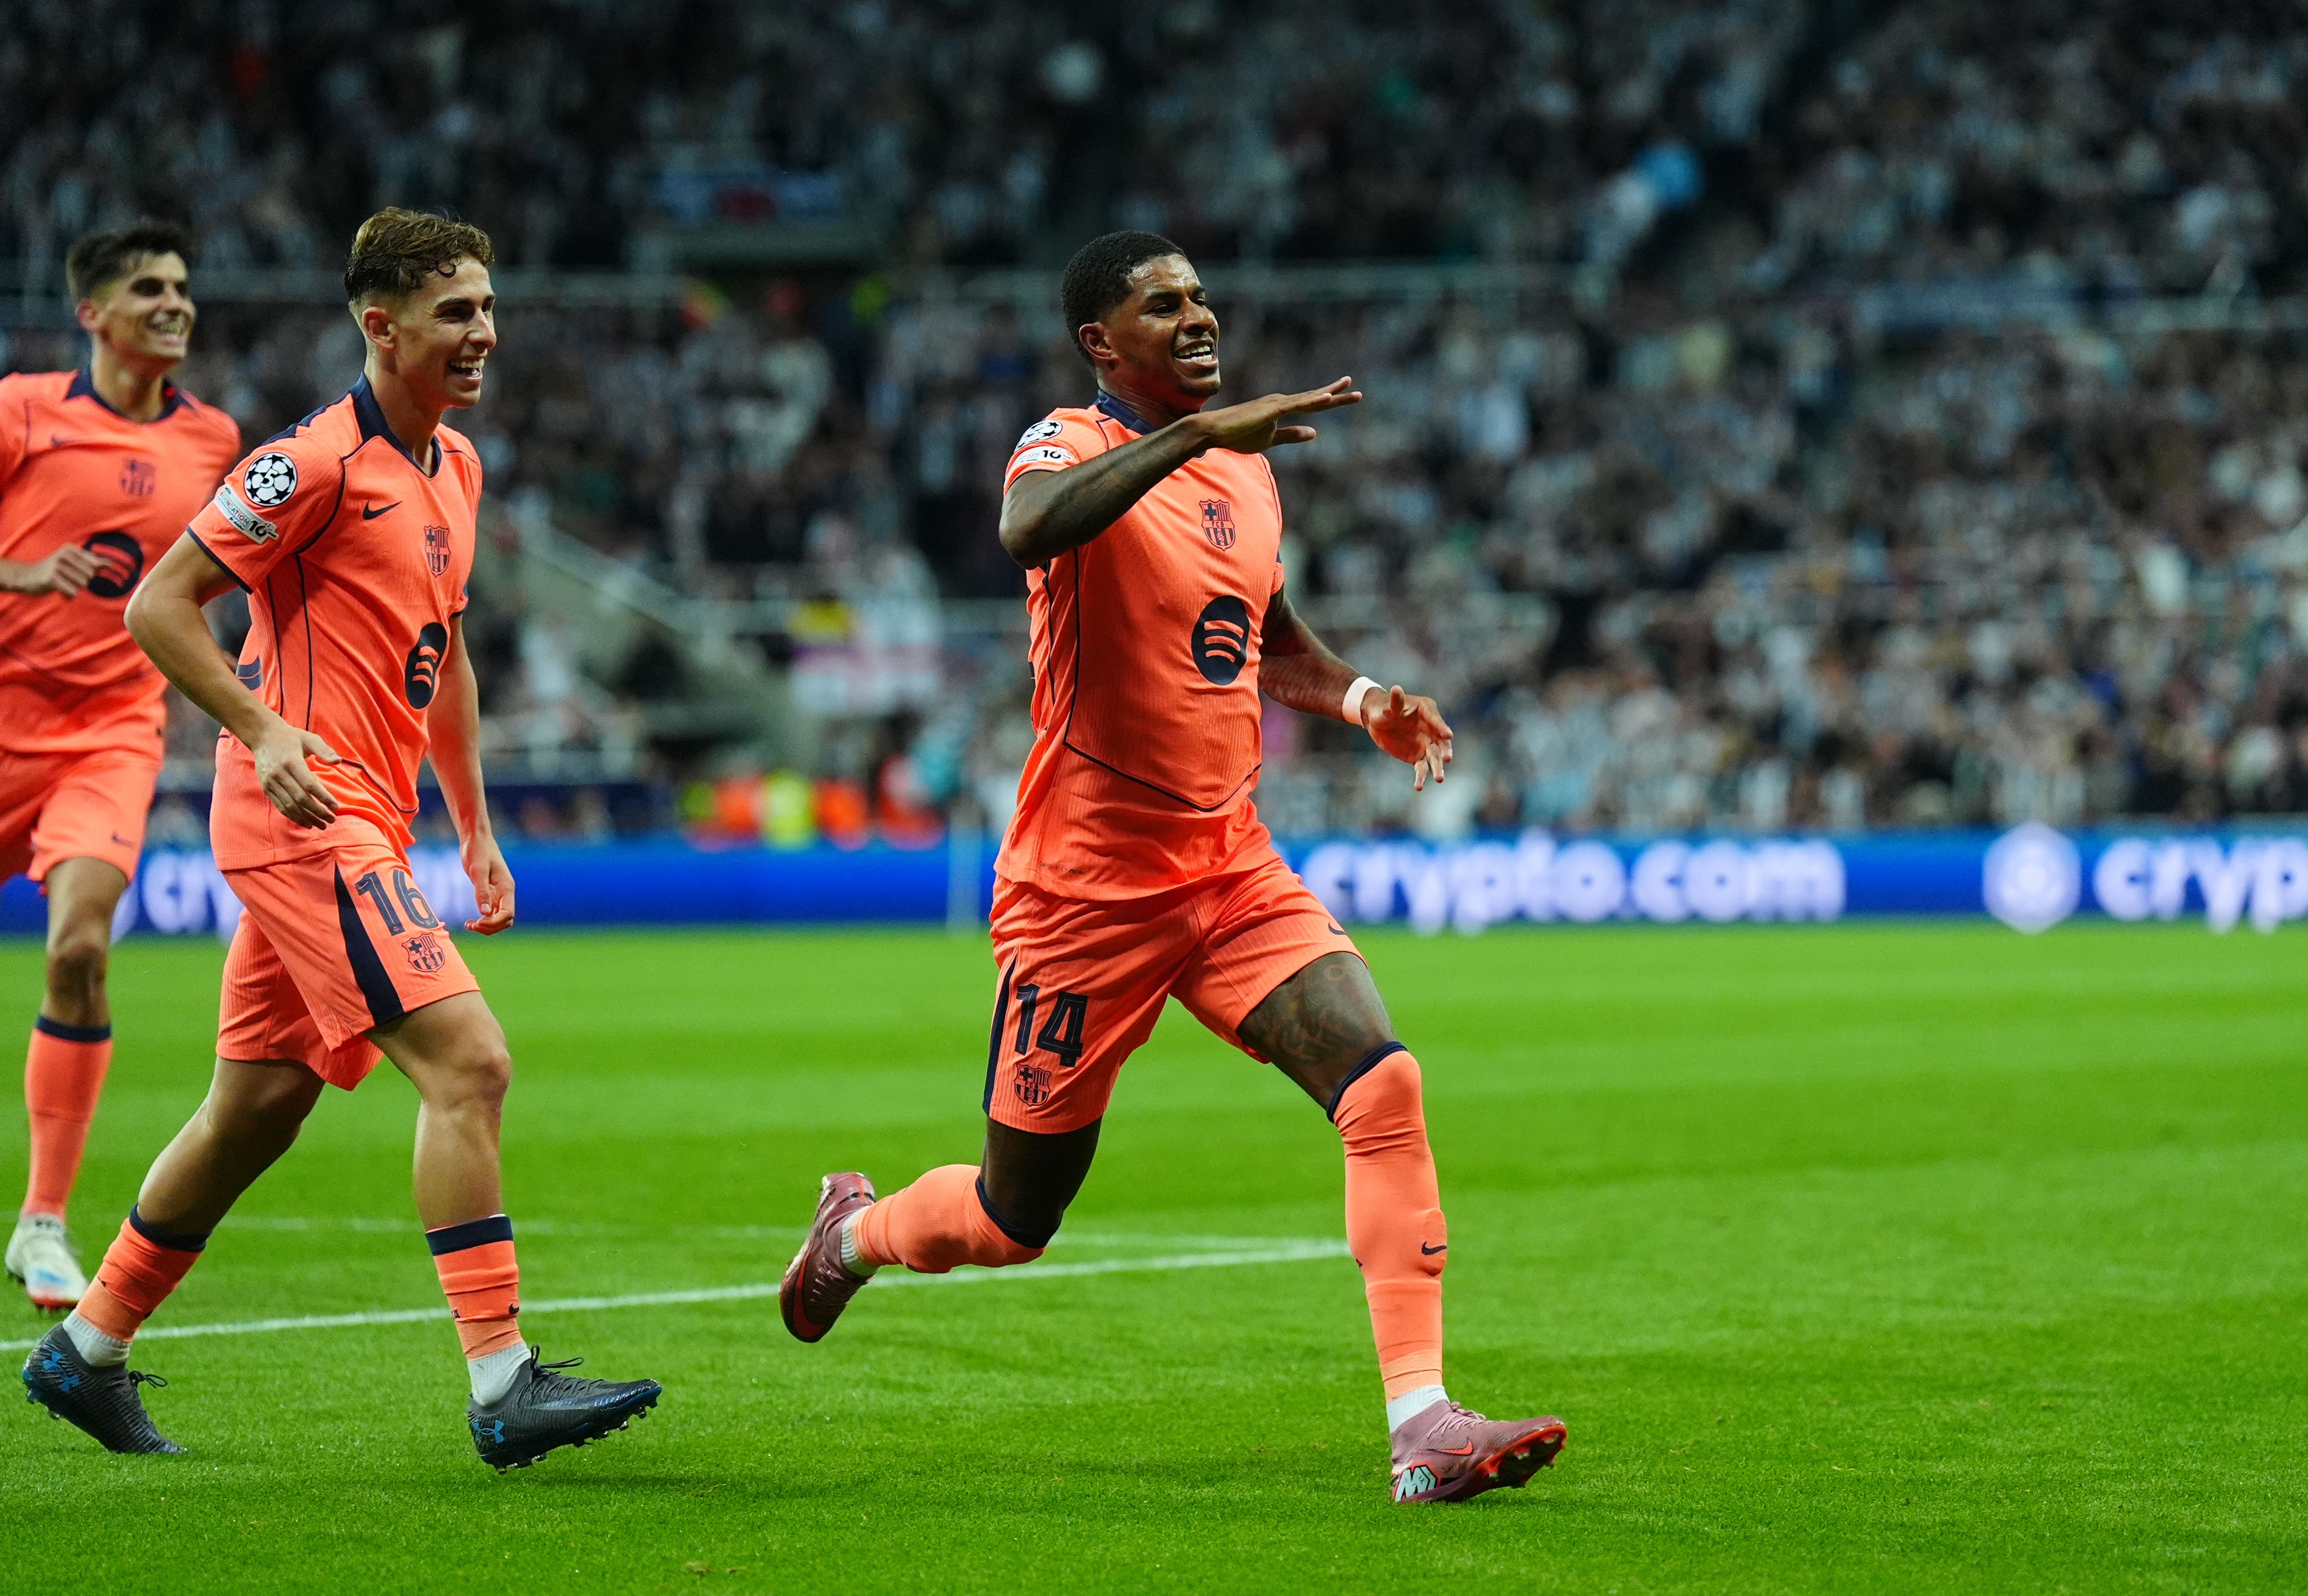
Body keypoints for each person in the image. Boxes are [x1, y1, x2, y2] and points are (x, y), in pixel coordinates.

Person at [780, 231, 1566, 1505]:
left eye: (1201, 297)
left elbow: (1259, 637)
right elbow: (1029, 529)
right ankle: (857, 1232)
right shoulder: (1065, 444)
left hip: (1225, 865)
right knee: (1011, 1219)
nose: (1198, 317)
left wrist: (1360, 694)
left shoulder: (1245, 477)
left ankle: (1420, 1426)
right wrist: (1196, 439)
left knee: (1382, 1081)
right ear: (1102, 343)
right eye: (1163, 305)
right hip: (1081, 894)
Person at [19, 208, 660, 1468]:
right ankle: (501, 1380)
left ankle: (83, 1352)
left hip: (373, 809)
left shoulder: (456, 467)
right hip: (304, 813)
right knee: (468, 1064)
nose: (486, 334)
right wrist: (261, 729)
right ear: (382, 326)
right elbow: (162, 605)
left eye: (488, 308)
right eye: (459, 313)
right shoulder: (309, 461)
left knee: (256, 1105)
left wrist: (476, 828)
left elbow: (448, 650)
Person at [0, 222, 240, 1311]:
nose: (173, 303)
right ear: (91, 313)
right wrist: (20, 569)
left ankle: (42, 1222)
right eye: (148, 288)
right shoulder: (24, 411)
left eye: (182, 286)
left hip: (108, 731)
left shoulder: (214, 440)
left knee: (80, 951)